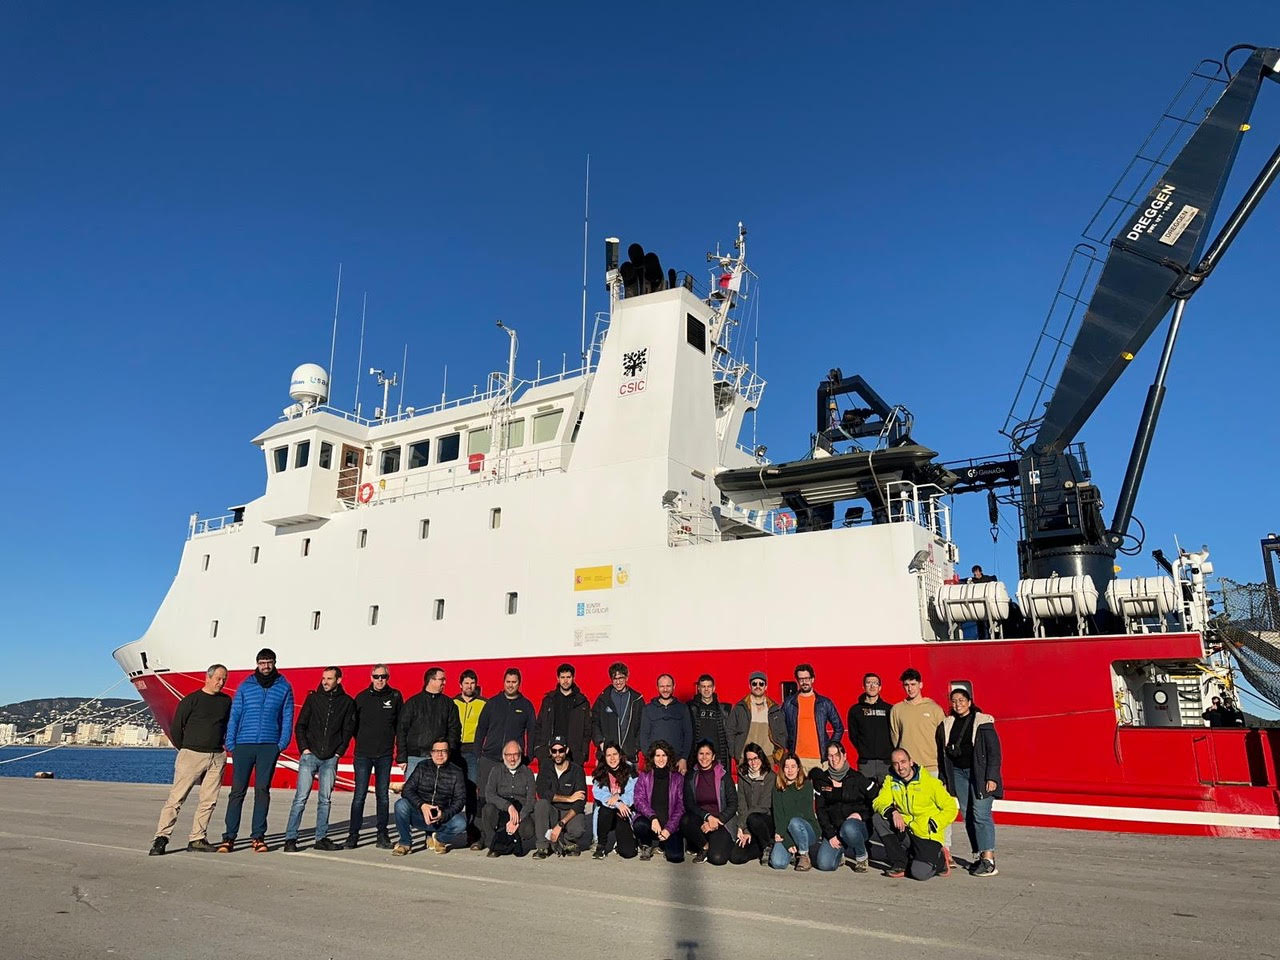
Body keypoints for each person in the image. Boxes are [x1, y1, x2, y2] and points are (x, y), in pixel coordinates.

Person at [149, 664, 231, 855]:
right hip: (192, 754)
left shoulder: (226, 701)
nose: (221, 682)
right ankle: (161, 838)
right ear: (207, 677)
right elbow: (176, 728)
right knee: (176, 798)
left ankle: (197, 838)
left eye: (224, 679)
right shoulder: (191, 700)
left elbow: (226, 724)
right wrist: (186, 748)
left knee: (209, 800)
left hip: (217, 755)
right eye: (218, 678)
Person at [219, 648, 294, 853]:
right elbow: (235, 714)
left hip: (269, 746)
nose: (265, 666)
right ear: (257, 664)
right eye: (262, 662)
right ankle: (229, 837)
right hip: (243, 745)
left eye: (269, 662)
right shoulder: (246, 686)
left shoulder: (284, 687)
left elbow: (287, 717)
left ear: (275, 663)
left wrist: (281, 744)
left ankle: (258, 837)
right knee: (237, 792)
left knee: (262, 791)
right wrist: (231, 743)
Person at [284, 666, 356, 852]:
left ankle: (321, 838)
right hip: (310, 756)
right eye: (323, 678)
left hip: (330, 758)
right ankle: (290, 839)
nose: (325, 682)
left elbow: (348, 730)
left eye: (329, 678)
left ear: (338, 680)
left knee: (325, 800)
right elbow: (300, 725)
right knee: (300, 798)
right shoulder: (313, 699)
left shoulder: (347, 702)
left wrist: (339, 753)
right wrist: (304, 749)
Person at [937, 688, 1002, 876]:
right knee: (968, 815)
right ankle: (980, 856)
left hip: (979, 775)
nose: (958, 704)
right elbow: (943, 754)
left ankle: (989, 860)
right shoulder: (948, 723)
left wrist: (992, 777)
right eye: (954, 701)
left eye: (961, 700)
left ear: (969, 702)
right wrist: (945, 778)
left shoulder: (983, 722)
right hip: (958, 773)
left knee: (981, 814)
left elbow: (994, 752)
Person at [471, 667, 536, 848]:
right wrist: (478, 753)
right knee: (483, 799)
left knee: (512, 798)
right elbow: (481, 729)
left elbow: (532, 732)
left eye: (514, 682)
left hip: (513, 760)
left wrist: (529, 755)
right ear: (504, 682)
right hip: (490, 758)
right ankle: (481, 837)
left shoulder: (526, 705)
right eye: (508, 682)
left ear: (519, 683)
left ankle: (509, 833)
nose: (511, 685)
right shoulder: (492, 703)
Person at [872, 748, 958, 880]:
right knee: (878, 818)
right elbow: (879, 802)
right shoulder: (891, 781)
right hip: (907, 831)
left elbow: (951, 807)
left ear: (911, 762)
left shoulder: (930, 782)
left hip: (927, 835)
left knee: (919, 873)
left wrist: (935, 823)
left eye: (903, 762)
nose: (900, 767)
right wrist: (892, 811)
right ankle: (900, 863)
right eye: (896, 764)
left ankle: (940, 860)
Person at [346, 664, 402, 849]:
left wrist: (399, 751)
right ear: (371, 677)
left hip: (385, 755)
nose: (380, 680)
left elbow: (400, 726)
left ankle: (382, 835)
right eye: (376, 676)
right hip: (363, 754)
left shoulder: (395, 697)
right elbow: (353, 726)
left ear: (388, 677)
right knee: (359, 795)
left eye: (383, 676)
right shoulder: (361, 697)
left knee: (383, 796)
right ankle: (353, 835)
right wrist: (363, 741)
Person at [809, 740, 877, 872]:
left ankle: (861, 855)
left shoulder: (858, 778)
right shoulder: (822, 780)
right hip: (835, 830)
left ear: (844, 756)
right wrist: (830, 834)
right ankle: (840, 851)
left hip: (857, 826)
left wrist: (862, 815)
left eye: (837, 755)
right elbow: (820, 810)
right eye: (830, 755)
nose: (834, 759)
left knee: (849, 827)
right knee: (825, 865)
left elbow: (876, 800)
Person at [391, 738, 467, 855]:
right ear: (431, 753)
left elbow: (460, 800)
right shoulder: (422, 766)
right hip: (419, 814)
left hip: (441, 819)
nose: (440, 754)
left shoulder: (457, 772)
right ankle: (405, 843)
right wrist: (422, 805)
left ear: (449, 753)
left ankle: (439, 839)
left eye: (443, 751)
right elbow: (407, 790)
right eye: (436, 751)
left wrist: (443, 814)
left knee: (461, 823)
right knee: (401, 805)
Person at [680, 740, 737, 866]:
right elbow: (689, 804)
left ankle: (717, 843)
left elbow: (733, 804)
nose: (704, 757)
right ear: (697, 756)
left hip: (721, 821)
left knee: (717, 858)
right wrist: (707, 817)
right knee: (685, 820)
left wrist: (717, 820)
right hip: (700, 819)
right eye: (701, 754)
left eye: (708, 754)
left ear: (713, 756)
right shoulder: (691, 776)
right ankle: (704, 846)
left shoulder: (724, 776)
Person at [397, 666, 460, 777]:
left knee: (438, 788)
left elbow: (454, 730)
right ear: (431, 680)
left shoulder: (448, 704)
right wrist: (402, 757)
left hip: (439, 758)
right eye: (442, 679)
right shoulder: (413, 703)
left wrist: (448, 753)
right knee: (413, 788)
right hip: (415, 757)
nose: (444, 682)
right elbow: (401, 730)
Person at [533, 734, 588, 858]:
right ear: (550, 752)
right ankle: (543, 847)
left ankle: (567, 841)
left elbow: (580, 803)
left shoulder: (577, 770)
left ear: (566, 750)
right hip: (552, 811)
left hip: (568, 813)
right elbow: (542, 792)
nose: (557, 754)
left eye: (561, 750)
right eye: (554, 751)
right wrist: (569, 798)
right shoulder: (545, 767)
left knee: (578, 828)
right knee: (541, 804)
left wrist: (561, 824)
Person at [782, 663, 843, 774]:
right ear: (797, 680)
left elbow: (839, 728)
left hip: (820, 759)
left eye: (807, 678)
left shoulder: (824, 703)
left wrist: (830, 748)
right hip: (797, 759)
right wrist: (788, 749)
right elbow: (781, 729)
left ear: (812, 679)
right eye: (801, 679)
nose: (804, 682)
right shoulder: (789, 703)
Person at [481, 740, 536, 857]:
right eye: (509, 755)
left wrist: (517, 819)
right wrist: (508, 806)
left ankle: (513, 841)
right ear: (503, 756)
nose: (512, 759)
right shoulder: (496, 770)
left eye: (515, 754)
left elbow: (531, 800)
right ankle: (493, 844)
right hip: (501, 808)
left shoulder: (527, 772)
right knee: (488, 809)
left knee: (528, 830)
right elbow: (489, 794)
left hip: (520, 809)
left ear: (520, 755)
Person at [632, 739, 685, 863]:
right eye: (657, 755)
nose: (661, 759)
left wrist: (669, 829)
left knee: (675, 857)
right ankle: (646, 844)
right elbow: (639, 800)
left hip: (670, 826)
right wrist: (653, 817)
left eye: (664, 755)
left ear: (668, 757)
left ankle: (664, 844)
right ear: (652, 758)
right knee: (639, 824)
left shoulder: (677, 778)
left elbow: (681, 806)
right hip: (651, 823)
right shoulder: (644, 776)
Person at [534, 663, 592, 768]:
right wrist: (540, 750)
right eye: (562, 677)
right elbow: (539, 726)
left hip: (574, 756)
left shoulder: (582, 702)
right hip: (549, 754)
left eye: (568, 677)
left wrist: (582, 753)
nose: (565, 681)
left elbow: (587, 731)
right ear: (558, 678)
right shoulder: (549, 701)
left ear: (573, 678)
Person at [769, 753, 820, 871]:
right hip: (785, 832)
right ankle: (794, 852)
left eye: (793, 766)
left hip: (806, 829)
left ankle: (804, 855)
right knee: (778, 863)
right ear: (782, 769)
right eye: (787, 767)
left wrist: (785, 836)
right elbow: (778, 816)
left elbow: (803, 814)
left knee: (795, 822)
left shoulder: (806, 785)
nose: (790, 770)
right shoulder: (778, 787)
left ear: (798, 768)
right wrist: (787, 841)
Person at [728, 742, 774, 865]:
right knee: (736, 857)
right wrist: (745, 830)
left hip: (765, 822)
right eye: (749, 759)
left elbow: (764, 806)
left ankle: (768, 844)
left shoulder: (770, 776)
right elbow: (742, 804)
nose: (753, 763)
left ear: (761, 757)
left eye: (756, 758)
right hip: (748, 823)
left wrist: (742, 825)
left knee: (754, 818)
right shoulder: (743, 776)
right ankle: (763, 849)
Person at [890, 668, 943, 773]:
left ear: (921, 685)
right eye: (906, 685)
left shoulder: (934, 709)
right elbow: (895, 739)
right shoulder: (896, 709)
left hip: (931, 767)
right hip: (908, 768)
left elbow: (943, 738)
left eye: (913, 684)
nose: (910, 688)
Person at [728, 671, 787, 766]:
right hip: (745, 758)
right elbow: (730, 731)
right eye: (754, 684)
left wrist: (777, 756)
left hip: (767, 758)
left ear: (766, 687)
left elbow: (782, 732)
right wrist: (735, 754)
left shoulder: (774, 709)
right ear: (750, 686)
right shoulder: (740, 708)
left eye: (761, 684)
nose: (758, 686)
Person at [591, 741, 637, 859]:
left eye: (615, 754)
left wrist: (619, 798)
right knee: (604, 810)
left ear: (620, 755)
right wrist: (617, 803)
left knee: (628, 853)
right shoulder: (601, 771)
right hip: (608, 812)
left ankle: (624, 841)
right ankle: (601, 845)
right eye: (608, 755)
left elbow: (633, 793)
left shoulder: (630, 770)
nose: (612, 758)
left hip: (623, 812)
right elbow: (599, 793)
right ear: (604, 757)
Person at [592, 661, 645, 762]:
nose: (618, 682)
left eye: (621, 678)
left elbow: (643, 725)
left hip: (629, 755)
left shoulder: (637, 699)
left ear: (627, 678)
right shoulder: (603, 699)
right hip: (607, 755)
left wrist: (635, 747)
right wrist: (601, 742)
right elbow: (594, 721)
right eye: (615, 679)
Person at [639, 674, 692, 772]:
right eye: (662, 686)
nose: (665, 689)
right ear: (657, 687)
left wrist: (684, 758)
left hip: (677, 763)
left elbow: (688, 734)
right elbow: (644, 736)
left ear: (673, 686)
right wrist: (650, 759)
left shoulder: (682, 708)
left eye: (668, 686)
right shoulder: (648, 709)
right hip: (655, 763)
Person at [847, 672, 894, 782]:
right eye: (868, 683)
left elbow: (895, 732)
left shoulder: (889, 709)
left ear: (880, 687)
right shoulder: (855, 710)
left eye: (875, 683)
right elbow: (853, 735)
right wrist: (864, 750)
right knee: (866, 791)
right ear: (863, 687)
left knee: (888, 792)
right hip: (866, 763)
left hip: (886, 763)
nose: (872, 686)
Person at [687, 674, 732, 770]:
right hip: (697, 757)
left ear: (713, 688)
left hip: (718, 757)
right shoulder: (690, 708)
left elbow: (730, 734)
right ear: (698, 688)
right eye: (703, 686)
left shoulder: (725, 709)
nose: (706, 689)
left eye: (709, 686)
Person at [454, 668, 486, 789]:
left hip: (474, 750)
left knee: (472, 784)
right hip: (455, 749)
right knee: (454, 784)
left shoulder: (483, 703)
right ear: (460, 685)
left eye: (472, 683)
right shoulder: (452, 702)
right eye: (466, 683)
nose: (469, 686)